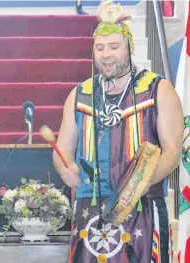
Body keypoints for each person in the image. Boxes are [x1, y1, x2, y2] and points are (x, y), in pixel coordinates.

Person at [53, 1, 184, 262]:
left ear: (130, 48)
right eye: (100, 48)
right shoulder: (80, 95)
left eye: (114, 47)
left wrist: (137, 186)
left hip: (142, 212)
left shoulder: (158, 90)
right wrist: (65, 168)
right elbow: (62, 151)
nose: (106, 54)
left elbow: (173, 150)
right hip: (89, 215)